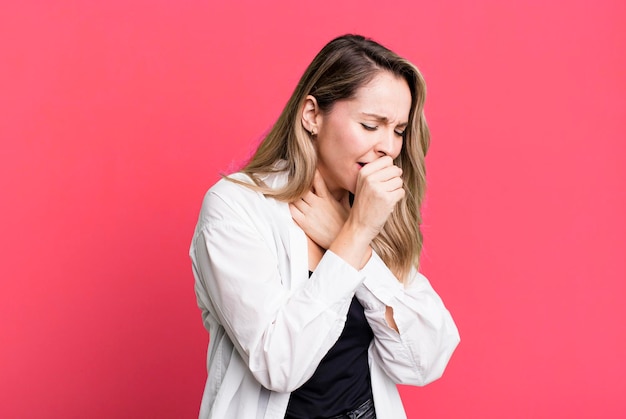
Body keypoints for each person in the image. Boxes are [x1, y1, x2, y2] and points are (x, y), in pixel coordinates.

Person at [189, 34, 460, 419]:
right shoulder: (236, 208)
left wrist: (349, 238)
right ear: (312, 115)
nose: (389, 146)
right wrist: (353, 236)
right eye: (371, 125)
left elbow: (425, 361)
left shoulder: (371, 212)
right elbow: (279, 365)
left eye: (398, 130)